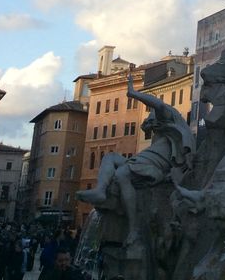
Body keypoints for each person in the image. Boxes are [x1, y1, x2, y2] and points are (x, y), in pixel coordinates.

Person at [77, 73, 194, 245]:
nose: (148, 120)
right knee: (110, 157)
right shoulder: (160, 133)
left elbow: (159, 104)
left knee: (122, 173)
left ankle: (133, 229)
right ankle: (100, 190)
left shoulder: (169, 117)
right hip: (145, 162)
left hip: (156, 166)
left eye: (150, 117)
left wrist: (133, 93)